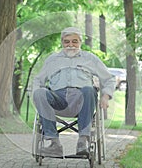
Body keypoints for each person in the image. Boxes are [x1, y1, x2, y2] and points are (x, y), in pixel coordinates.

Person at [32, 27, 116, 157]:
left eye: (74, 41)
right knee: (39, 93)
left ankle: (83, 141)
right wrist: (37, 95)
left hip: (82, 100)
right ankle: (54, 144)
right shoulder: (52, 59)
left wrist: (106, 96)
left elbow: (109, 79)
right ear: (62, 43)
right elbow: (38, 80)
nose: (71, 45)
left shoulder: (90, 59)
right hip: (57, 101)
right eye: (67, 42)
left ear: (80, 42)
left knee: (89, 89)